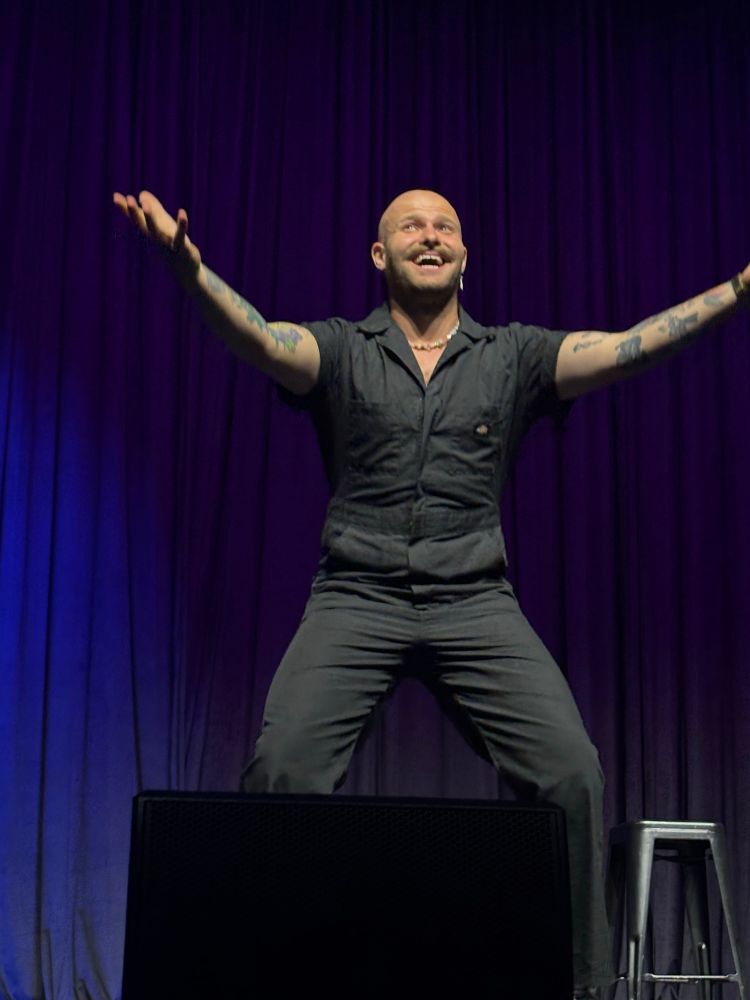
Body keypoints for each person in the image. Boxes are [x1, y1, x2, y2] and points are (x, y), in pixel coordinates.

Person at [113, 187, 750, 996]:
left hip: (472, 598)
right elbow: (265, 341)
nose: (431, 235)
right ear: (381, 255)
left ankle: (579, 987)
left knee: (573, 774)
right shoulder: (343, 349)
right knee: (282, 771)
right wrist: (190, 271)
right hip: (357, 592)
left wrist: (735, 292)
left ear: (464, 256)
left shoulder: (512, 356)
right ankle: (265, 977)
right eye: (411, 226)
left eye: (446, 227)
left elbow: (628, 347)